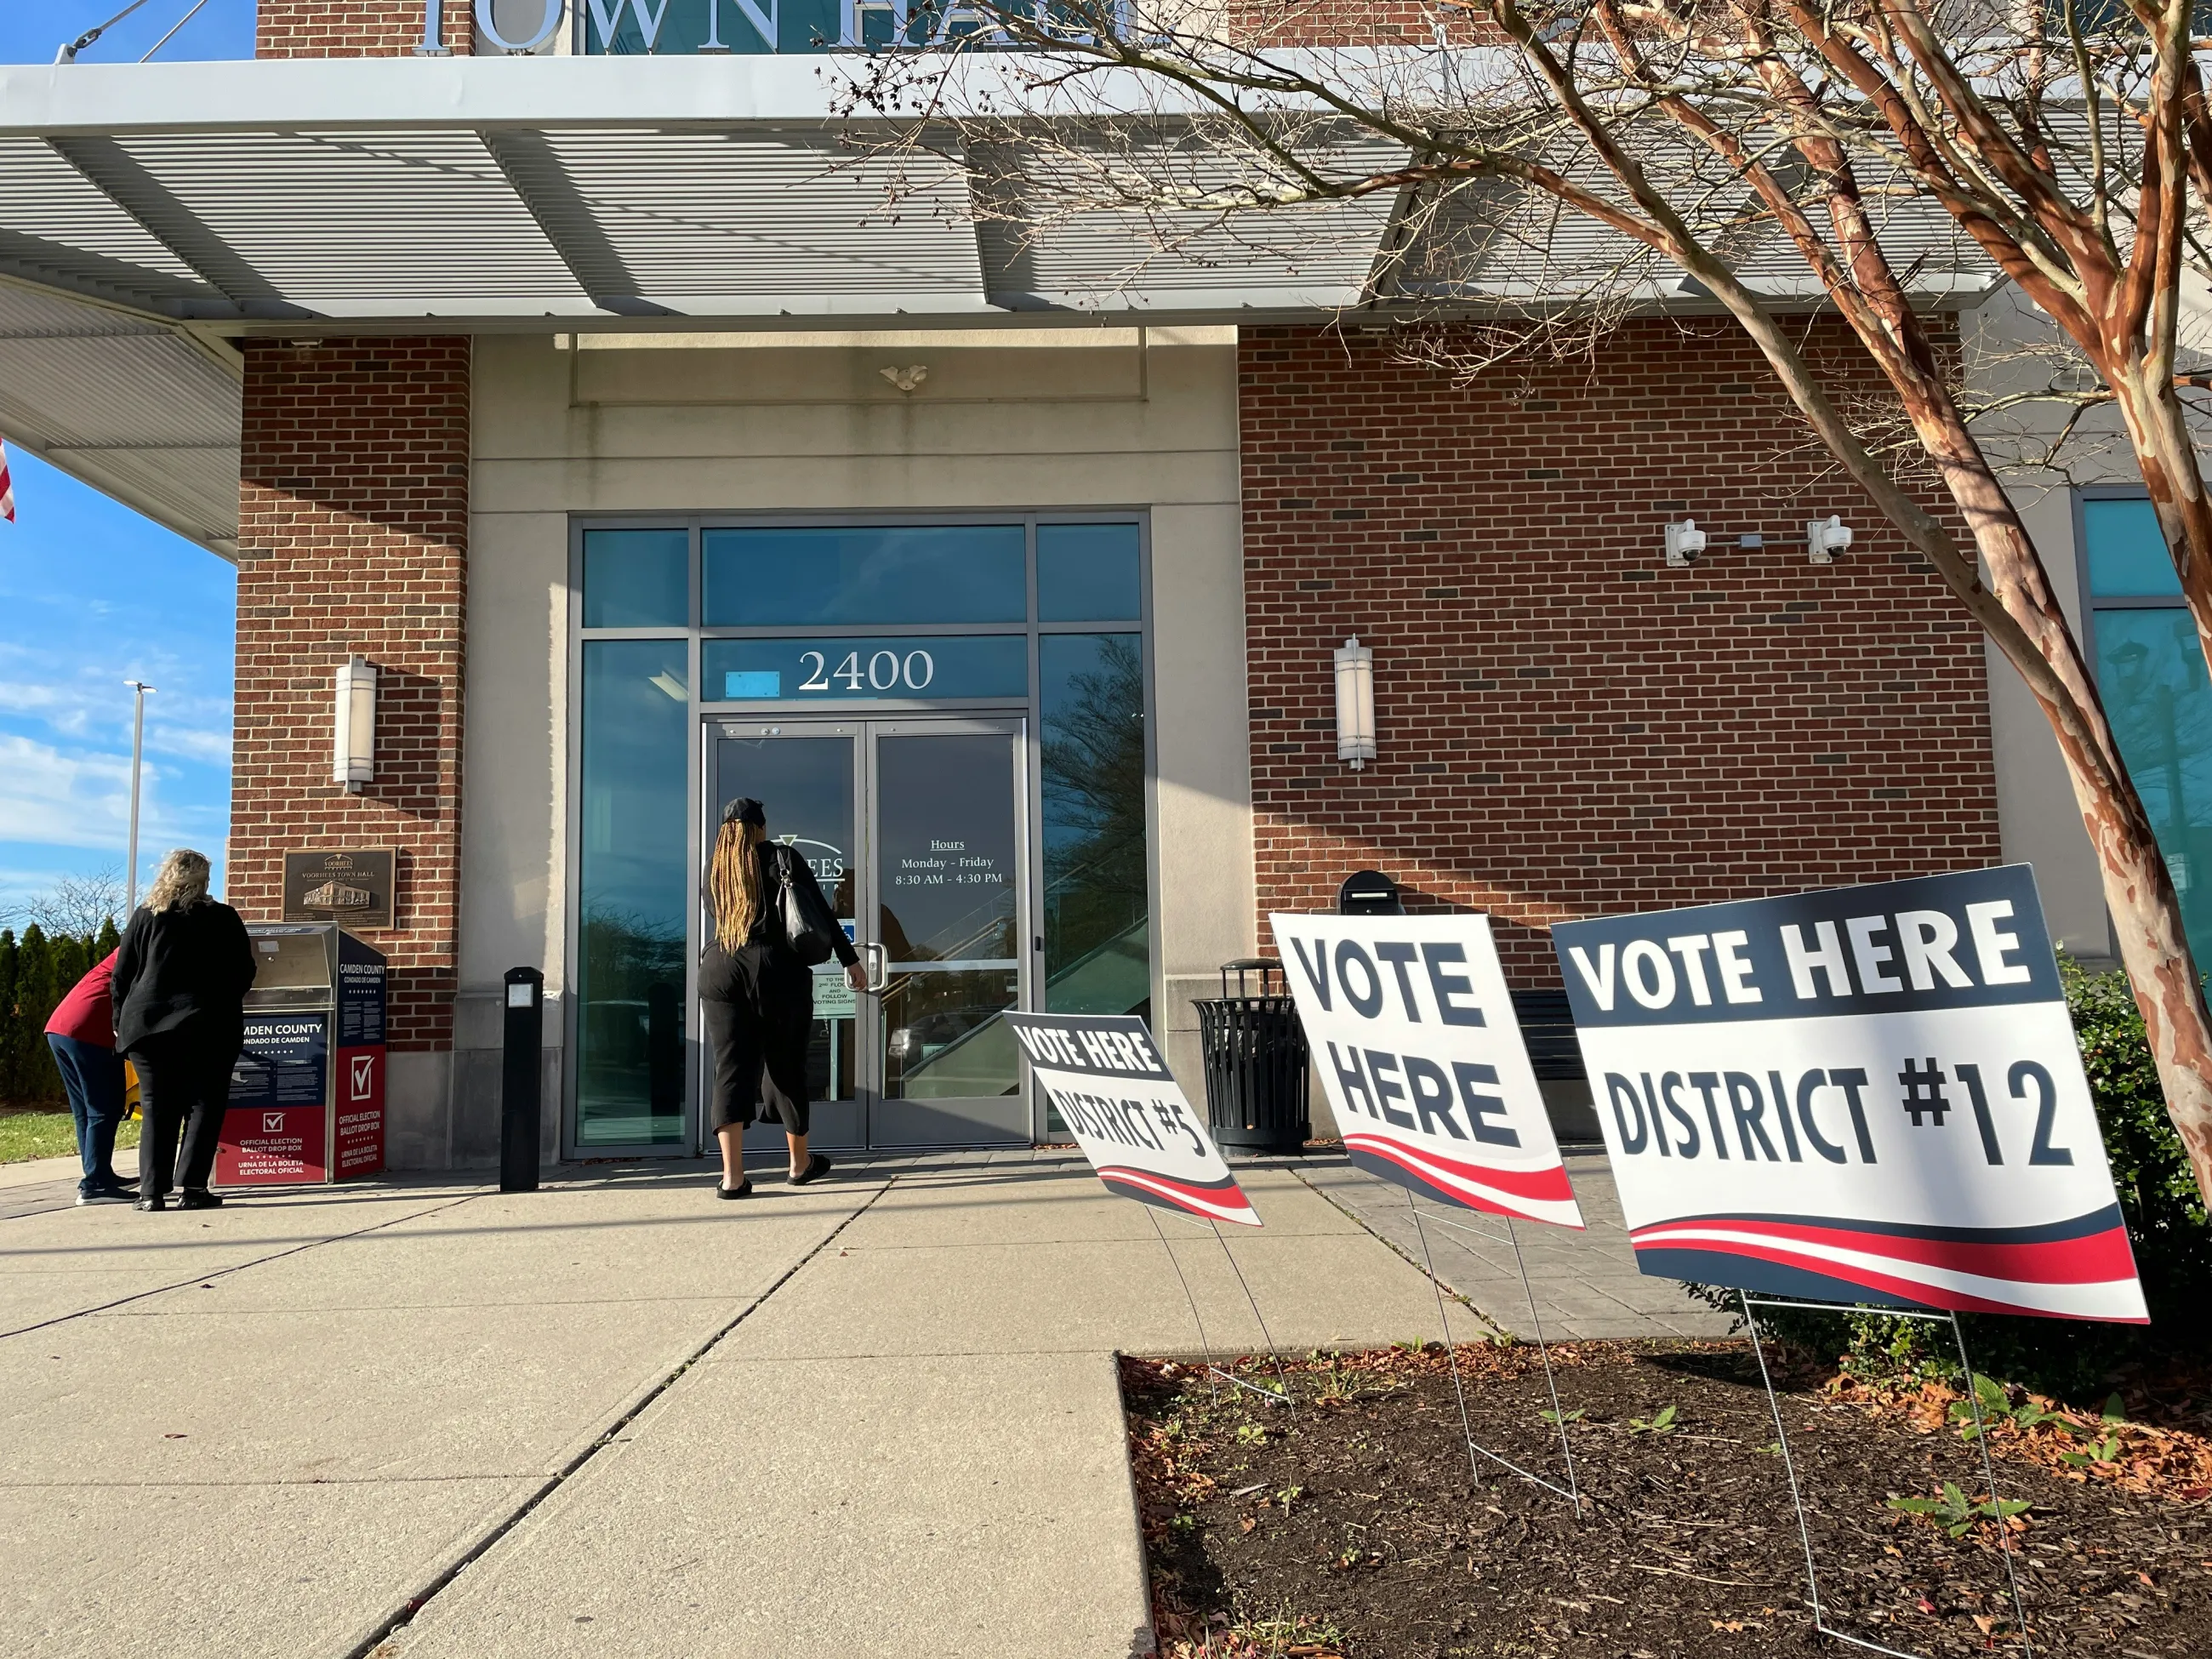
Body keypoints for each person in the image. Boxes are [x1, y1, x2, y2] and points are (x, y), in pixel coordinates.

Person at [701, 797, 866, 1199]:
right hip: (775, 967)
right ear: (759, 826)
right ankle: (799, 1165)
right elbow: (819, 914)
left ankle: (732, 1179)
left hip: (720, 965)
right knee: (786, 1063)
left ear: (725, 830)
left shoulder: (715, 869)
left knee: (731, 1069)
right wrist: (851, 960)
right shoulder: (782, 857)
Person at [111, 849, 255, 1213]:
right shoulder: (222, 917)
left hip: (147, 1026)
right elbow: (245, 971)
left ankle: (151, 1194)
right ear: (205, 879)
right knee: (204, 1104)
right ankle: (193, 1189)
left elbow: (122, 975)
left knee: (158, 1107)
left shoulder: (145, 916)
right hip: (208, 1023)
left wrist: (120, 1022)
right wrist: (222, 1000)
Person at [46, 949, 134, 1205]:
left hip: (61, 1028)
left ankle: (99, 1175)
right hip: (89, 1030)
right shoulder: (145, 947)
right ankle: (95, 1184)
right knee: (104, 1107)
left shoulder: (129, 946)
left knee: (86, 1110)